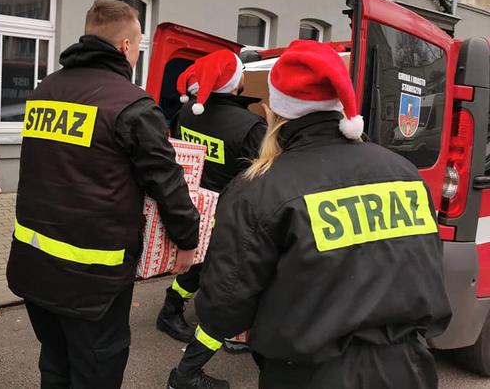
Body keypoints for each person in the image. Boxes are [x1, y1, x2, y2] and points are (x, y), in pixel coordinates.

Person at [187, 40, 452, 389]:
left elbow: (222, 308)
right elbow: (426, 265)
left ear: (276, 110)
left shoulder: (260, 189)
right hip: (409, 369)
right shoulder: (404, 172)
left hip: (309, 374)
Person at [6, 0, 200, 389]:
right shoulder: (131, 104)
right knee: (98, 370)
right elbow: (166, 180)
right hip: (94, 279)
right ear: (127, 46)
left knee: (56, 364)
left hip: (34, 264)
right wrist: (188, 239)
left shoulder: (47, 88)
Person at [159, 49, 267, 388]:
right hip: (229, 212)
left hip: (195, 203)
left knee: (199, 265)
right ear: (236, 83)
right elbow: (259, 176)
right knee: (221, 278)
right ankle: (196, 348)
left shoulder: (186, 112)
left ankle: (171, 308)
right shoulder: (252, 125)